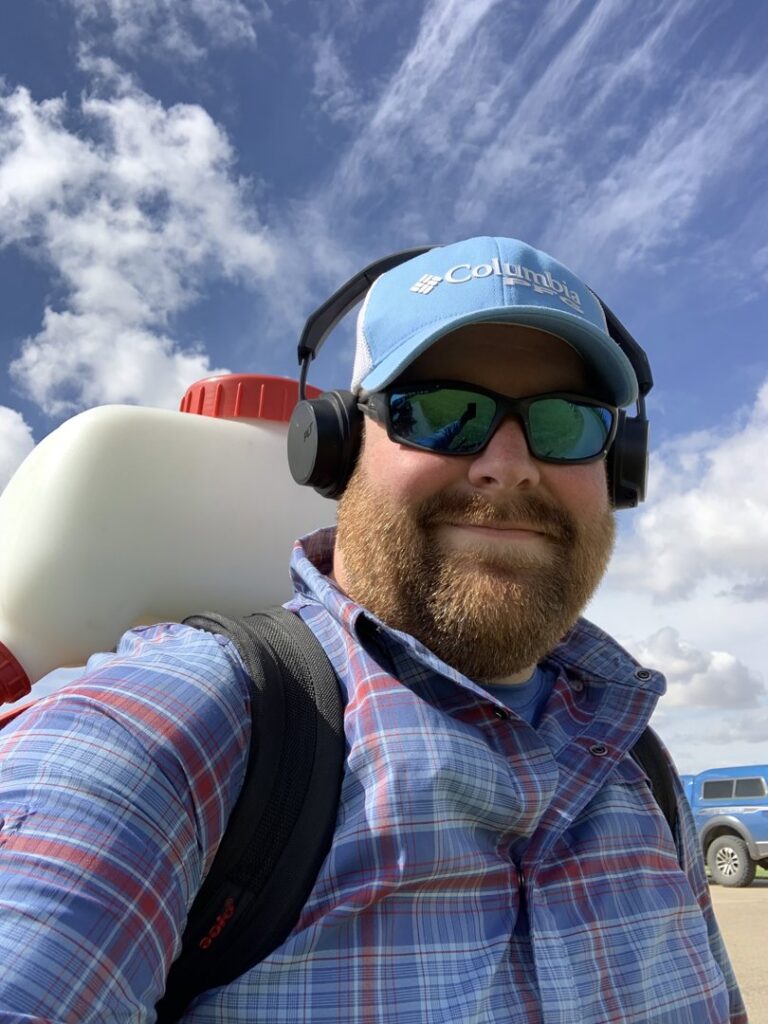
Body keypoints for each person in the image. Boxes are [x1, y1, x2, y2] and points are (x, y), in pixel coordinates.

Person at [0, 237, 746, 1023]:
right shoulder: (172, 728)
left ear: (619, 468)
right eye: (440, 413)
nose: (508, 464)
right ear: (337, 450)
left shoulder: (643, 767)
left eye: (566, 424)